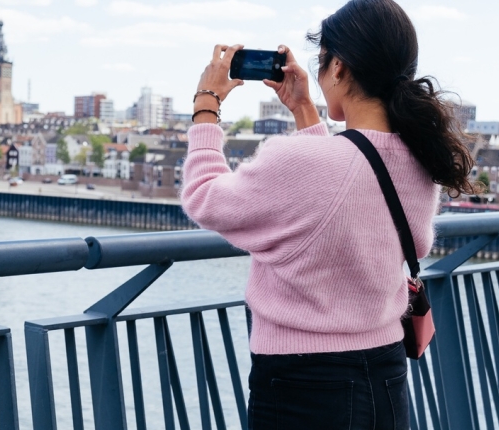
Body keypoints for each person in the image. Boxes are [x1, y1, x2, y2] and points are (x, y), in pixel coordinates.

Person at [180, 0, 478, 428]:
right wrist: (304, 111)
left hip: (305, 383)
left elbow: (204, 196)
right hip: (387, 375)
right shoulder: (418, 161)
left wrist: (206, 104)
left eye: (322, 65)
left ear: (338, 67)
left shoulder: (307, 162)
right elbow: (337, 193)